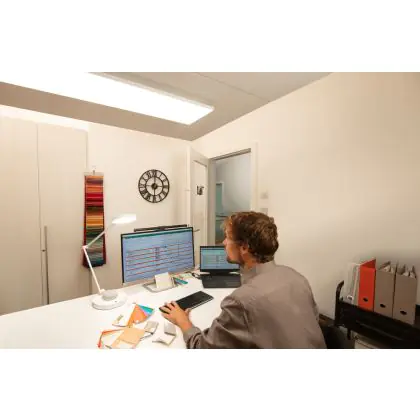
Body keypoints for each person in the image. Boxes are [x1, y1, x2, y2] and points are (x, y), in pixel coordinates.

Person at [160, 211, 326, 349]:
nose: (223, 242)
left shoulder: (241, 301)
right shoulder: (296, 277)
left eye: (227, 237)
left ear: (244, 247)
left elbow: (202, 348)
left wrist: (183, 321)